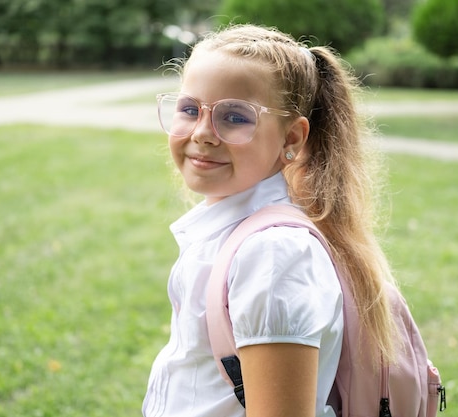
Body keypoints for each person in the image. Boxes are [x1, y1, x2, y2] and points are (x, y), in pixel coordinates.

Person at [143, 24, 399, 417]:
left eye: (234, 117)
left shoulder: (273, 255)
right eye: (190, 109)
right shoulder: (233, 232)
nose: (203, 133)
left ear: (291, 140)